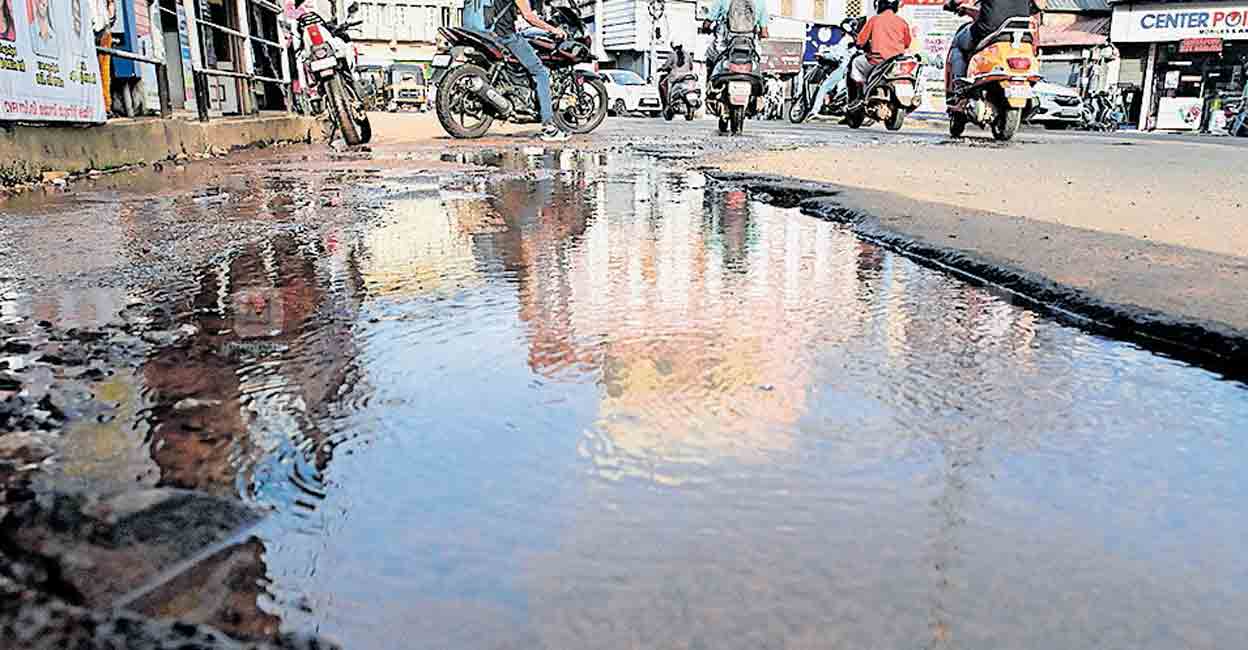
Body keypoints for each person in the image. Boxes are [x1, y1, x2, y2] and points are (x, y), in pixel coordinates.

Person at [492, 0, 569, 142]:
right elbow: (529, 16)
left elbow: (522, 15)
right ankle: (549, 127)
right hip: (507, 36)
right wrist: (553, 29)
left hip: (496, 35)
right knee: (541, 73)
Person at [945, 0, 1032, 97]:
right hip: (1022, 33)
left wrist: (952, 4)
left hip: (989, 31)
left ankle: (959, 88)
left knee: (958, 42)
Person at [848, 0, 911, 101]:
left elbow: (860, 41)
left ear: (880, 5)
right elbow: (907, 43)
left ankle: (860, 96)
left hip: (877, 62)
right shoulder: (902, 22)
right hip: (896, 63)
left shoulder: (874, 20)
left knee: (856, 62)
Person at [703, 0, 769, 72]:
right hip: (749, 46)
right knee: (757, 63)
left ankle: (710, 81)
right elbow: (764, 33)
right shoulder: (760, 2)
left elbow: (707, 23)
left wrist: (705, 29)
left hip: (725, 45)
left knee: (711, 55)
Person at [658, 43, 694, 108]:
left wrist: (662, 68)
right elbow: (691, 67)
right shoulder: (688, 55)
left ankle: (667, 103)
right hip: (688, 76)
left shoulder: (672, 55)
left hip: (675, 76)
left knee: (662, 84)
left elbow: (666, 66)